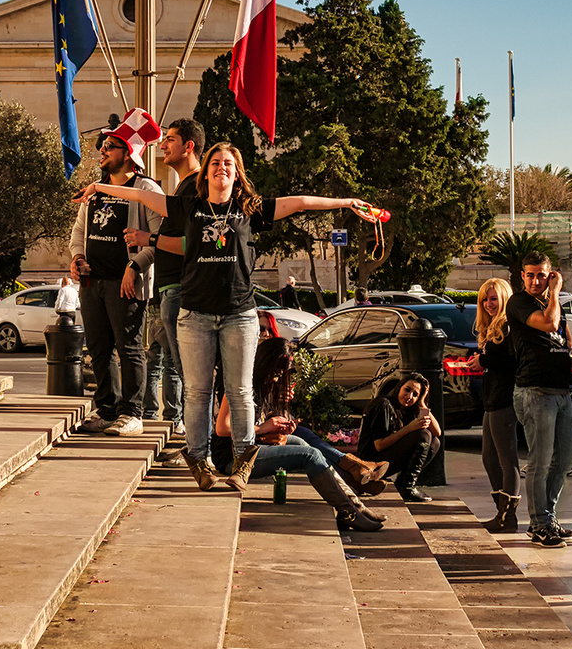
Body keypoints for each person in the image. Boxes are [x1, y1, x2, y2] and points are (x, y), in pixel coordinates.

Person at [78, 141, 373, 493]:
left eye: (228, 163)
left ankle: (243, 463)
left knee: (241, 392)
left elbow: (299, 203)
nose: (221, 167)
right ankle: (200, 462)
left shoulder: (251, 209)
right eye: (215, 162)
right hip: (195, 314)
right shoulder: (188, 207)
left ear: (237, 172)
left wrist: (347, 202)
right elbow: (142, 198)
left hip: (239, 315)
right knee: (198, 393)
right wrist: (98, 186)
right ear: (206, 171)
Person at [216, 337, 386, 531]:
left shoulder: (263, 387)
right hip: (234, 459)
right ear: (265, 364)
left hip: (254, 448)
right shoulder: (240, 386)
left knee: (305, 444)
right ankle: (348, 511)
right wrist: (265, 427)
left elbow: (258, 424)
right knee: (309, 456)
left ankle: (355, 506)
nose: (277, 378)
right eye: (276, 373)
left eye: (281, 374)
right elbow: (222, 428)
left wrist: (279, 425)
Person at [70, 123, 163, 437]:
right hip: (90, 283)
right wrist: (77, 258)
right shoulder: (94, 190)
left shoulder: (146, 189)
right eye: (103, 145)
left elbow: (158, 240)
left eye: (110, 146)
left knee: (130, 349)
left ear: (128, 153)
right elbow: (78, 232)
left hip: (126, 283)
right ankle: (107, 411)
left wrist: (134, 266)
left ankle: (132, 414)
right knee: (98, 350)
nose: (102, 151)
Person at [508, 253, 572, 548]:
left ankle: (548, 516)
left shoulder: (549, 303)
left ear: (550, 274)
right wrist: (557, 291)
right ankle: (539, 523)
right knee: (540, 461)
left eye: (542, 275)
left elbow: (567, 339)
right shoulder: (519, 303)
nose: (536, 281)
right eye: (530, 275)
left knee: (564, 459)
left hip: (561, 390)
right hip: (534, 391)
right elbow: (549, 324)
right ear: (522, 277)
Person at [145, 118, 205, 437]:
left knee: (189, 375)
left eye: (170, 139)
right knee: (179, 369)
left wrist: (149, 239)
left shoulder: (195, 188)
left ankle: (199, 442)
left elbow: (191, 244)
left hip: (181, 291)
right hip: (169, 291)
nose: (163, 145)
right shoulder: (182, 186)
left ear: (188, 145)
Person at [469, 277, 519, 532]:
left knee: (506, 458)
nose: (488, 304)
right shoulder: (490, 328)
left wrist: (484, 361)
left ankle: (507, 516)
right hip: (492, 398)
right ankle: (503, 512)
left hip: (505, 399)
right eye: (484, 299)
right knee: (489, 458)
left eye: (493, 298)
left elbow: (512, 362)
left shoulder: (509, 326)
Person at [356, 372, 443, 502]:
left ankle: (403, 484)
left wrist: (422, 403)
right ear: (399, 387)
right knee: (423, 435)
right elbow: (379, 445)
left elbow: (437, 432)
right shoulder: (383, 404)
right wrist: (409, 428)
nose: (409, 396)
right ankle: (407, 488)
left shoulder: (408, 409)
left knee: (434, 442)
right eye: (407, 390)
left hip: (386, 459)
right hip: (371, 462)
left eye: (415, 395)